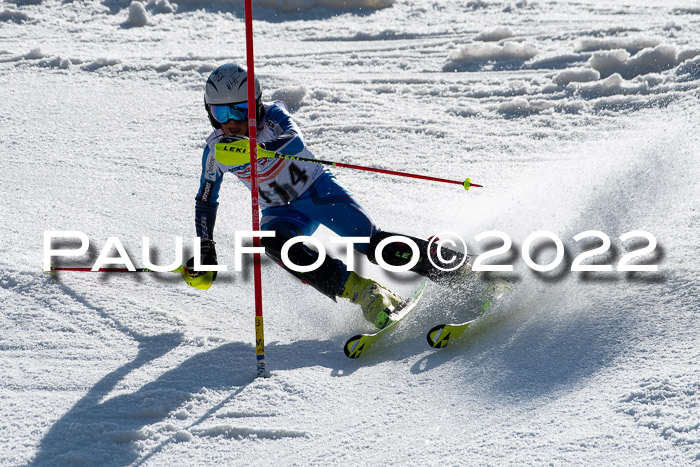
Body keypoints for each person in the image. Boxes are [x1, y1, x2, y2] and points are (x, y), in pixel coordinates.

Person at [184, 62, 466, 329]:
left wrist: (260, 147)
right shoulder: (215, 152)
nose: (232, 121)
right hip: (282, 212)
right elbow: (206, 200)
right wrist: (205, 245)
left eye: (241, 110)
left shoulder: (273, 117)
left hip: (318, 191)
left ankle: (453, 268)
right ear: (210, 113)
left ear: (256, 106)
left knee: (370, 244)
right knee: (268, 240)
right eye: (222, 113)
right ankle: (367, 294)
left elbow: (295, 140)